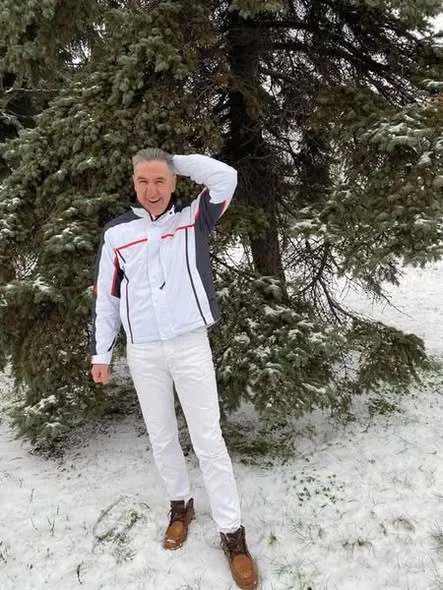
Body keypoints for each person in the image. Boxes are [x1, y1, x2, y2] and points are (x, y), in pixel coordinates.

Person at [89, 148, 258, 590]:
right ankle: (181, 505)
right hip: (143, 351)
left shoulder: (193, 218)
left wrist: (170, 161)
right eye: (143, 181)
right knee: (162, 436)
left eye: (160, 181)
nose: (152, 190)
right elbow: (107, 298)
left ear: (174, 182)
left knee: (209, 440)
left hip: (189, 345)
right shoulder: (117, 233)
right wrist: (101, 354)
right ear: (133, 183)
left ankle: (232, 532)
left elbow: (226, 176)